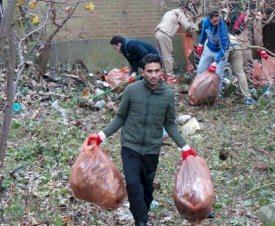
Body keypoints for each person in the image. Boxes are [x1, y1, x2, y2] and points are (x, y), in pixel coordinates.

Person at [91, 54, 197, 226]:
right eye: (149, 71)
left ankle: (142, 213)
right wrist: (101, 136)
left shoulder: (168, 95)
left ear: (161, 71)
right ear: (142, 71)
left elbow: (169, 124)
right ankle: (141, 221)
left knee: (146, 188)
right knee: (133, 184)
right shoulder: (132, 90)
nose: (154, 75)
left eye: (157, 71)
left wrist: (184, 147)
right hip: (130, 146)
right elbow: (120, 117)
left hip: (152, 149)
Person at [155, 3, 198, 84]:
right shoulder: (180, 14)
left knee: (162, 55)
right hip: (165, 34)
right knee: (168, 56)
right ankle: (170, 77)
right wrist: (196, 26)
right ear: (184, 10)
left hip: (158, 32)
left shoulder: (170, 12)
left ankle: (163, 74)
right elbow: (188, 26)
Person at [195, 9, 230, 97]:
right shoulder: (206, 22)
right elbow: (203, 33)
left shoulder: (222, 28)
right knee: (200, 69)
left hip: (221, 51)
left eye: (218, 20)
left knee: (218, 73)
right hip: (210, 48)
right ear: (209, 19)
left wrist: (215, 62)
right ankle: (199, 92)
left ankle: (216, 95)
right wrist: (200, 44)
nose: (217, 22)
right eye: (214, 20)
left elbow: (224, 47)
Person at [228, 34, 255, 105]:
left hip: (224, 45)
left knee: (219, 71)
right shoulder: (220, 27)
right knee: (240, 72)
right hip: (235, 43)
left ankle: (215, 97)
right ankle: (248, 97)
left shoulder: (210, 32)